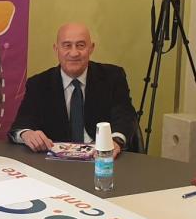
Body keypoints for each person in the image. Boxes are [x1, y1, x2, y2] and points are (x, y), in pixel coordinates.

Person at [8, 23, 137, 152]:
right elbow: (22, 123)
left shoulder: (113, 77)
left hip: (101, 156)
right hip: (56, 158)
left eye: (80, 45)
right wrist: (27, 134)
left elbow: (125, 116)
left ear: (91, 48)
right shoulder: (39, 84)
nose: (74, 53)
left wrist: (115, 141)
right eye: (67, 45)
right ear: (56, 49)